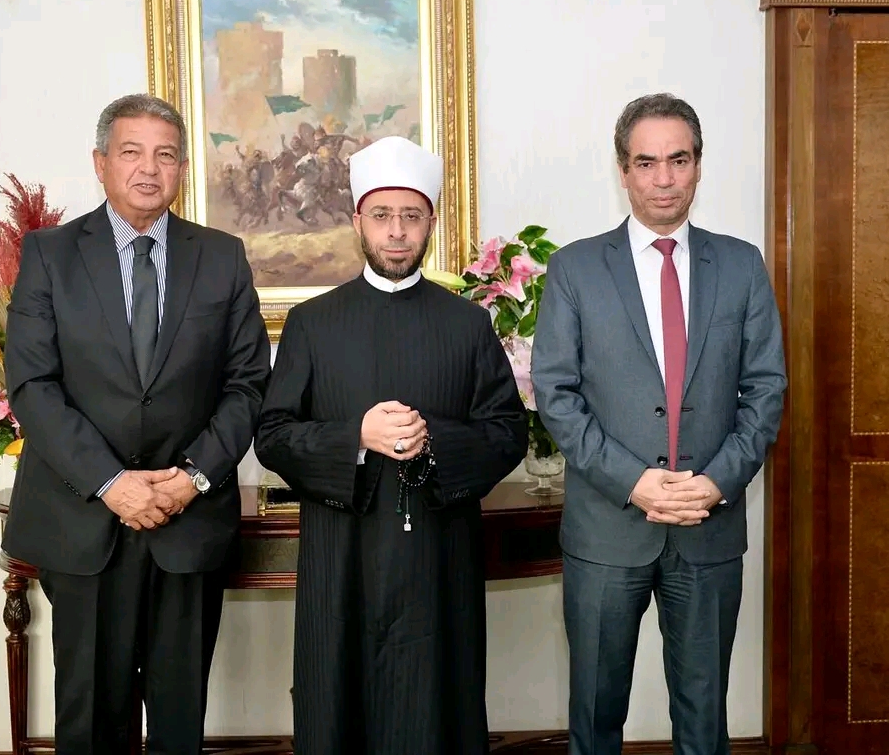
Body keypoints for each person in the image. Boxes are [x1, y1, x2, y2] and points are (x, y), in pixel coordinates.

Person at [2, 93, 272, 755]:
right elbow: (33, 386)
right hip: (83, 521)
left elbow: (247, 385)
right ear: (100, 163)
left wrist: (192, 478)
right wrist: (110, 482)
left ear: (182, 168)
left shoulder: (222, 257)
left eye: (164, 155)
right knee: (92, 718)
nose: (148, 168)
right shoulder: (50, 254)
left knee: (179, 722)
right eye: (131, 152)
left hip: (188, 521)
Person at [254, 135, 529, 755]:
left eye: (411, 216)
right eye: (382, 216)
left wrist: (433, 440)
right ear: (358, 221)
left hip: (439, 557)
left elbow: (507, 431)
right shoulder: (312, 323)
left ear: (431, 221)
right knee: (338, 705)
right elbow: (273, 435)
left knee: (437, 709)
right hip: (341, 557)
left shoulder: (468, 324)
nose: (397, 232)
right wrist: (356, 437)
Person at [531, 93, 787, 755]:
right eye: (646, 162)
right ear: (623, 170)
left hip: (708, 526)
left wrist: (718, 482)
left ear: (699, 164)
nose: (664, 178)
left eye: (679, 159)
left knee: (704, 722)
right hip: (607, 531)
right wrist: (634, 481)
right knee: (595, 716)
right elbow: (556, 394)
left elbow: (765, 390)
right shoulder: (575, 269)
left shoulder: (741, 265)